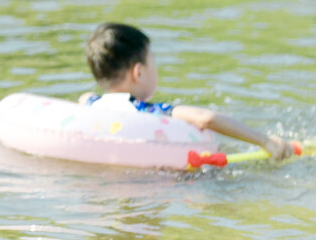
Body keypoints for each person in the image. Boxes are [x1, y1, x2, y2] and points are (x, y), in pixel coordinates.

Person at [81, 22, 295, 159]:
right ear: (138, 72)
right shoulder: (151, 112)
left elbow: (84, 97)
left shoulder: (91, 105)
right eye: (152, 62)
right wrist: (265, 141)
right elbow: (206, 118)